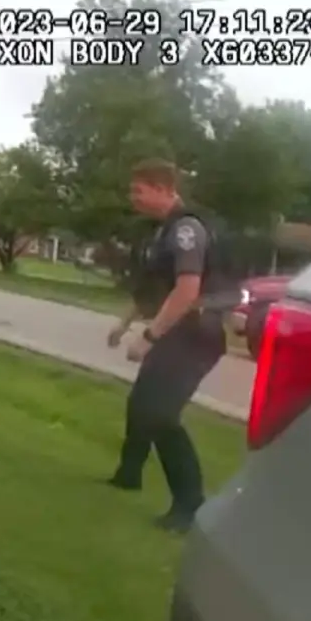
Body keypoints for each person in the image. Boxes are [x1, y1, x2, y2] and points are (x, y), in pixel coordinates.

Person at [105, 158, 227, 533]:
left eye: (138, 190)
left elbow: (187, 290)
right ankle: (129, 474)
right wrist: (124, 323)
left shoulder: (186, 229)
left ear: (161, 189)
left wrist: (148, 336)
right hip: (178, 331)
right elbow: (152, 289)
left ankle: (190, 504)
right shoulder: (163, 232)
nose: (133, 198)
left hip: (196, 334)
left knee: (159, 415)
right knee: (141, 405)